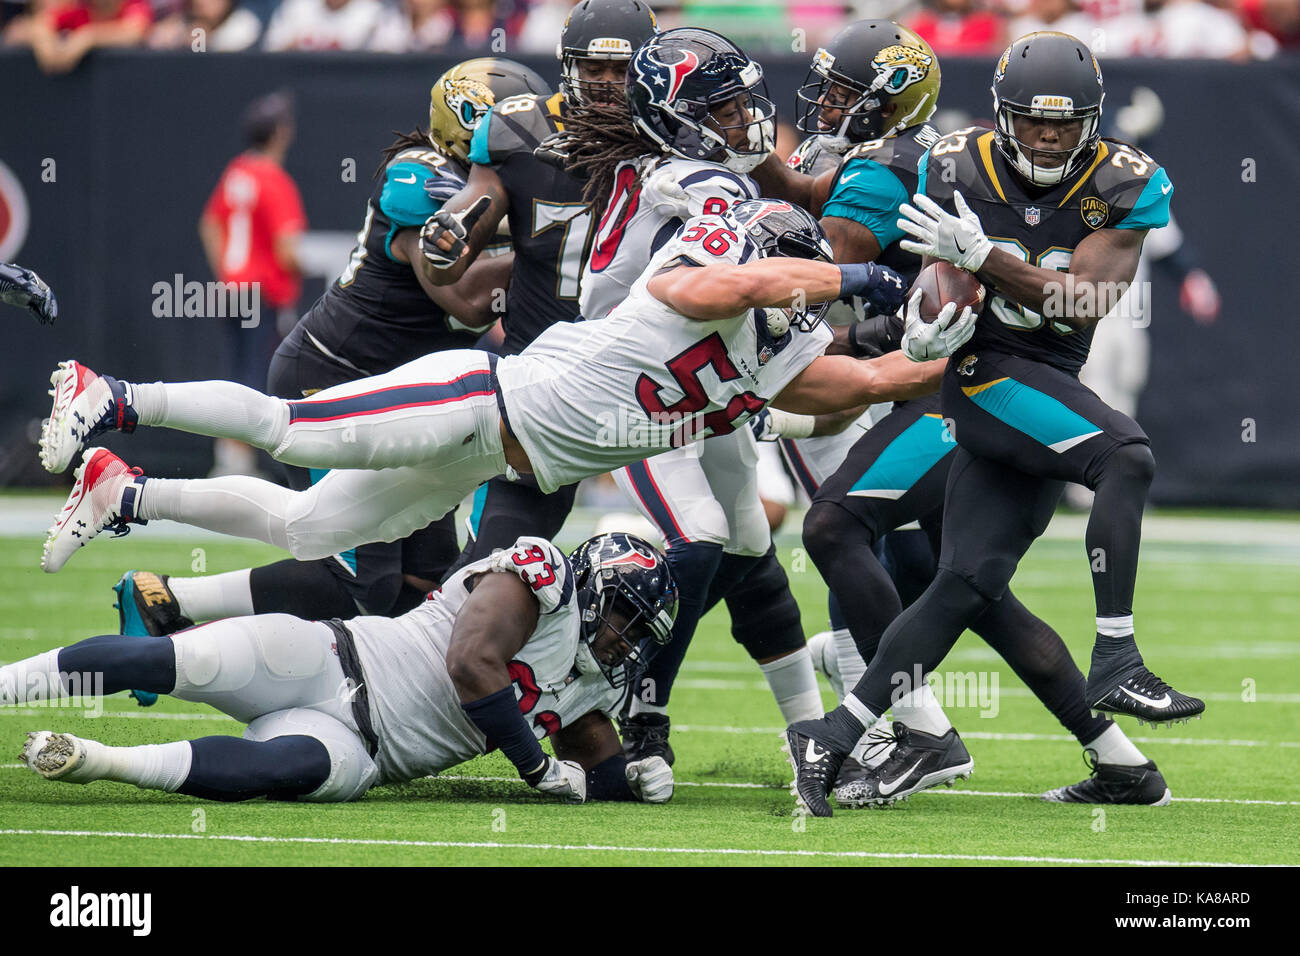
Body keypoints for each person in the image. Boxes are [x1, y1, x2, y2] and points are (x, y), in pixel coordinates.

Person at [38, 200, 931, 579]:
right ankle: (111, 391)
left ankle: (125, 492)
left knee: (306, 528)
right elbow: (720, 289)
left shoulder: (769, 357)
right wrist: (849, 284)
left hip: (488, 460)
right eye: (797, 281)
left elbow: (859, 379)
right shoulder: (698, 281)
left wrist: (968, 357)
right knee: (294, 430)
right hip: (476, 402)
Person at [786, 32, 1205, 818]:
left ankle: (835, 735)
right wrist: (916, 327)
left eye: (1064, 122)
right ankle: (1116, 654)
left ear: (1094, 118)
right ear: (1004, 114)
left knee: (965, 584)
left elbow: (1082, 300)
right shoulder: (953, 162)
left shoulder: (1124, 180)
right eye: (1032, 121)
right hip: (981, 375)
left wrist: (986, 257)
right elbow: (924, 278)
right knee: (1129, 458)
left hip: (1046, 379)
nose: (1047, 137)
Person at [114, 59, 541, 707]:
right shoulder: (422, 178)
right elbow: (463, 298)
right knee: (358, 574)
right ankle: (170, 607)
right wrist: (544, 252)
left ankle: (377, 706)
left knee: (423, 581)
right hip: (337, 375)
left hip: (410, 400)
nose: (527, 141)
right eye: (514, 125)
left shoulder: (497, 187)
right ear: (470, 127)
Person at [548, 27, 857, 759]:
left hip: (690, 381)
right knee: (701, 534)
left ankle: (805, 731)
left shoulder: (683, 169)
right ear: (679, 117)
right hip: (633, 389)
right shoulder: (696, 180)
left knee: (750, 538)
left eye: (740, 104)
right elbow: (733, 276)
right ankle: (639, 714)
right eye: (722, 111)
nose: (743, 120)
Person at [8, 533, 680, 805]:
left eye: (640, 634)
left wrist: (630, 778)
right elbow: (470, 663)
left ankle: (97, 759)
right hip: (335, 660)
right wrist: (536, 767)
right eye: (626, 618)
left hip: (365, 752)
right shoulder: (542, 580)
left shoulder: (600, 677)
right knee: (179, 658)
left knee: (282, 768)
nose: (627, 644)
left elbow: (591, 766)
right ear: (592, 589)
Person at [416, 0, 661, 580]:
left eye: (621, 70)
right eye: (591, 68)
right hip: (541, 379)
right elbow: (464, 231)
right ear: (565, 66)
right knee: (497, 556)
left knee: (722, 544)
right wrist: (448, 235)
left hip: (646, 380)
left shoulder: (675, 137)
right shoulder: (520, 130)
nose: (604, 84)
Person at [199, 90, 306, 481]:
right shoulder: (273, 179)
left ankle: (229, 459)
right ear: (279, 133)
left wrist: (227, 272)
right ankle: (236, 466)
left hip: (233, 290)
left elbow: (210, 224)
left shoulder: (237, 172)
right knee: (255, 378)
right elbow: (287, 248)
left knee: (234, 373)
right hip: (261, 293)